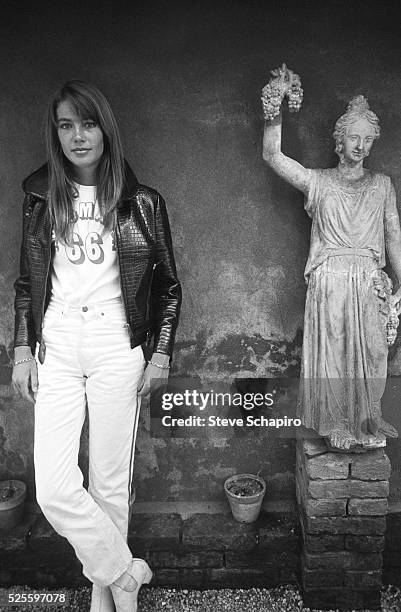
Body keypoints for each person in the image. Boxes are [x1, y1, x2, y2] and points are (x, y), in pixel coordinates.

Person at [12, 80, 182, 611]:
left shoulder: (143, 202)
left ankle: (109, 596)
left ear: (105, 128)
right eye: (66, 125)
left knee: (111, 483)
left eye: (87, 124)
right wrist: (22, 350)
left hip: (116, 340)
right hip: (58, 341)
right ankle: (125, 571)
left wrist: (160, 354)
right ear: (55, 133)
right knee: (55, 488)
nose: (77, 136)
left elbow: (170, 288)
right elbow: (26, 283)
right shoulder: (40, 197)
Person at [262, 69, 401, 451]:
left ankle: (367, 417)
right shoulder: (319, 181)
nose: (362, 145)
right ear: (340, 140)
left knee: (374, 355)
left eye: (368, 139)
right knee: (335, 357)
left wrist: (400, 286)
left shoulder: (382, 185)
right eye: (355, 137)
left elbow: (393, 237)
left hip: (370, 277)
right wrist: (274, 109)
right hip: (331, 279)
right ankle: (336, 424)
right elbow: (272, 156)